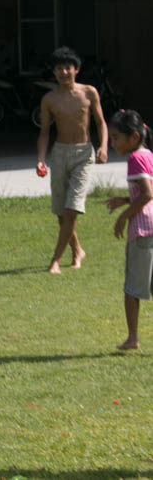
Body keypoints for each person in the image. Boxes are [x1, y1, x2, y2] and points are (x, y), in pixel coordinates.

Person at [36, 46, 108, 275]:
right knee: (60, 211)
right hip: (59, 154)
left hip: (83, 155)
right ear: (54, 72)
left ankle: (55, 261)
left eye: (68, 68)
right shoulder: (49, 99)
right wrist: (41, 160)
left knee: (71, 209)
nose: (63, 72)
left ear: (76, 69)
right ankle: (77, 250)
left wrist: (104, 147)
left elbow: (101, 122)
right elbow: (45, 132)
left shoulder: (89, 92)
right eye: (59, 69)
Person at [104, 109, 153, 351]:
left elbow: (147, 194)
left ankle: (133, 338)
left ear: (133, 137)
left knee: (132, 287)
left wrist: (124, 217)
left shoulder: (135, 159)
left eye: (115, 137)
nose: (112, 143)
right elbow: (143, 193)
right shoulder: (149, 155)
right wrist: (124, 200)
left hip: (143, 232)